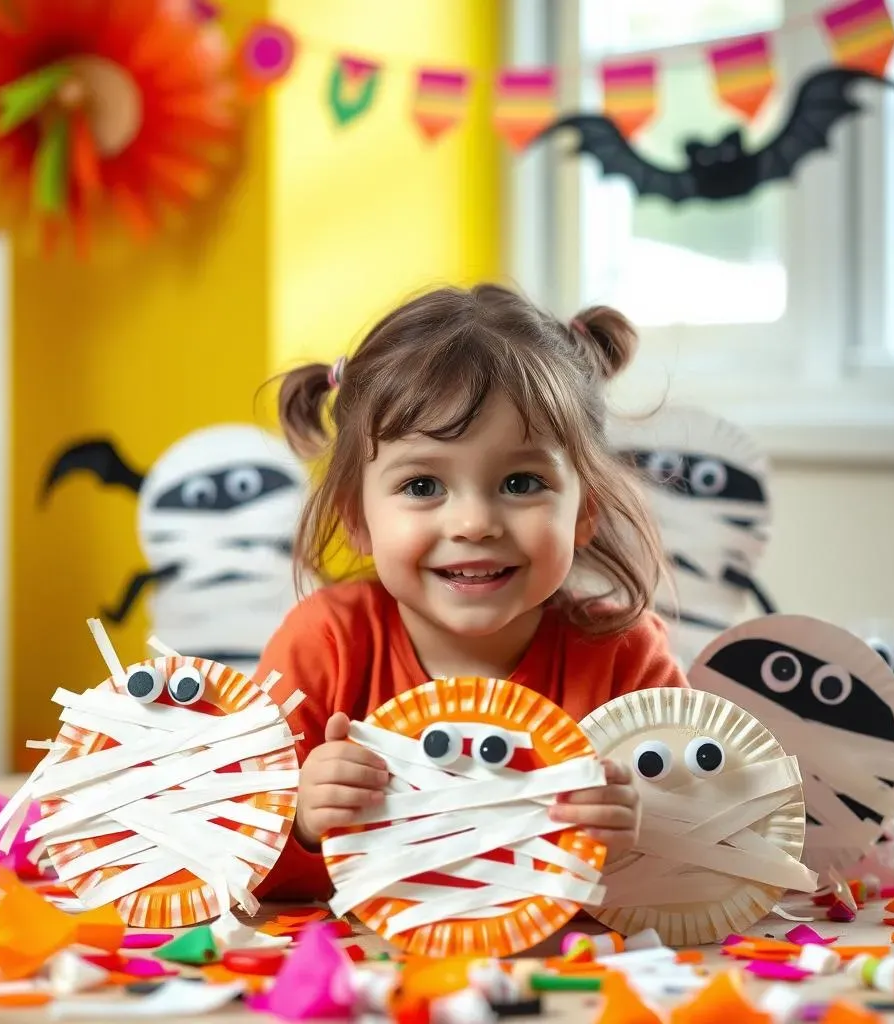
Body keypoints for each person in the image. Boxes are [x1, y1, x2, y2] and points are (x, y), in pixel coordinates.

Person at [253, 283, 688, 902]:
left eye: (521, 482)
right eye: (423, 486)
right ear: (357, 517)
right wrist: (300, 823)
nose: (474, 523)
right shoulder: (324, 644)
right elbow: (234, 862)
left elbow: (710, 853)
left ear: (584, 510)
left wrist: (639, 840)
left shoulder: (627, 655)